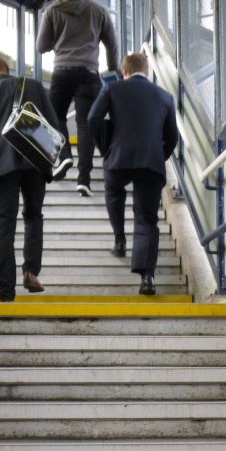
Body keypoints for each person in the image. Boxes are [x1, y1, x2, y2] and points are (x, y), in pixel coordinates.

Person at [0, 57, 61, 302]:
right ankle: (31, 271)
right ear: (7, 72)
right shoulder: (33, 86)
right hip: (35, 163)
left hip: (1, 169)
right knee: (33, 216)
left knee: (4, 231)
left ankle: (6, 293)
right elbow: (53, 125)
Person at [88, 52, 177, 295]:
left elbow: (92, 118)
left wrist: (106, 148)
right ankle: (147, 278)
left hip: (118, 158)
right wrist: (158, 156)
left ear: (123, 72)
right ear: (147, 72)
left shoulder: (112, 89)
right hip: (151, 161)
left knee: (113, 190)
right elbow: (172, 138)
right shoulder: (165, 96)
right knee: (146, 218)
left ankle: (119, 240)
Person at [35, 0, 119, 197]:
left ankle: (65, 156)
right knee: (85, 125)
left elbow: (41, 46)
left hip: (61, 71)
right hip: (89, 73)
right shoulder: (100, 10)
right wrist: (113, 72)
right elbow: (112, 45)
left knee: (54, 118)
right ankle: (84, 180)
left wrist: (59, 36)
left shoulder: (52, 10)